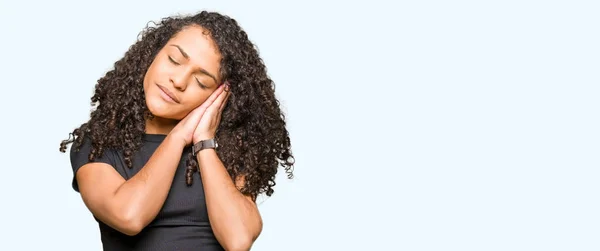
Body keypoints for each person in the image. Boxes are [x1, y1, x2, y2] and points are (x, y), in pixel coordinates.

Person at [59, 10, 295, 251]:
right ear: (152, 55)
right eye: (174, 59)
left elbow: (238, 239)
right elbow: (129, 215)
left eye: (202, 81)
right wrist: (179, 137)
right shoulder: (98, 143)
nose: (179, 81)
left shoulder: (231, 150)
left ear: (219, 96)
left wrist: (204, 142)